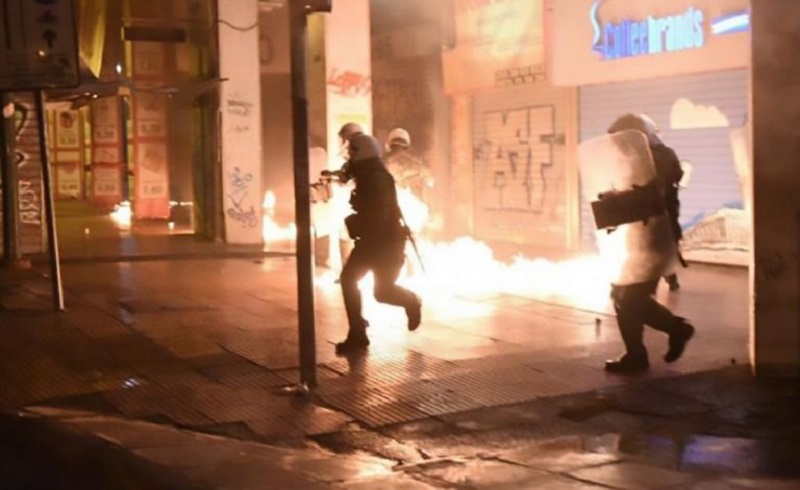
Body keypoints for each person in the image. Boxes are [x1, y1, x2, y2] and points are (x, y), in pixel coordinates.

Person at [601, 113, 695, 373]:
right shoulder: (639, 157)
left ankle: (674, 332)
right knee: (623, 294)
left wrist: (619, 201)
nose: (618, 146)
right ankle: (637, 354)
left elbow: (653, 193)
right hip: (640, 236)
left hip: (655, 238)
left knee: (629, 296)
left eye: (622, 140)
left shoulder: (660, 158)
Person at [335, 132, 422, 355]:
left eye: (353, 152)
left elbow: (379, 216)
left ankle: (412, 301)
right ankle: (357, 332)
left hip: (385, 243)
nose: (350, 157)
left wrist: (357, 223)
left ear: (362, 154)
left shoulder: (376, 178)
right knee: (349, 280)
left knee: (382, 292)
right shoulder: (367, 174)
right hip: (372, 242)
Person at [630, 115, 686, 291]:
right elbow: (677, 174)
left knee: (654, 244)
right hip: (662, 207)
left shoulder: (647, 154)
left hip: (656, 207)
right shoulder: (664, 152)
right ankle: (669, 279)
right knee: (663, 243)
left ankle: (654, 284)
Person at [382, 127, 433, 201]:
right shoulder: (416, 163)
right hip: (410, 201)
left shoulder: (381, 161)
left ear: (389, 145)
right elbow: (430, 180)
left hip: (390, 201)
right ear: (407, 145)